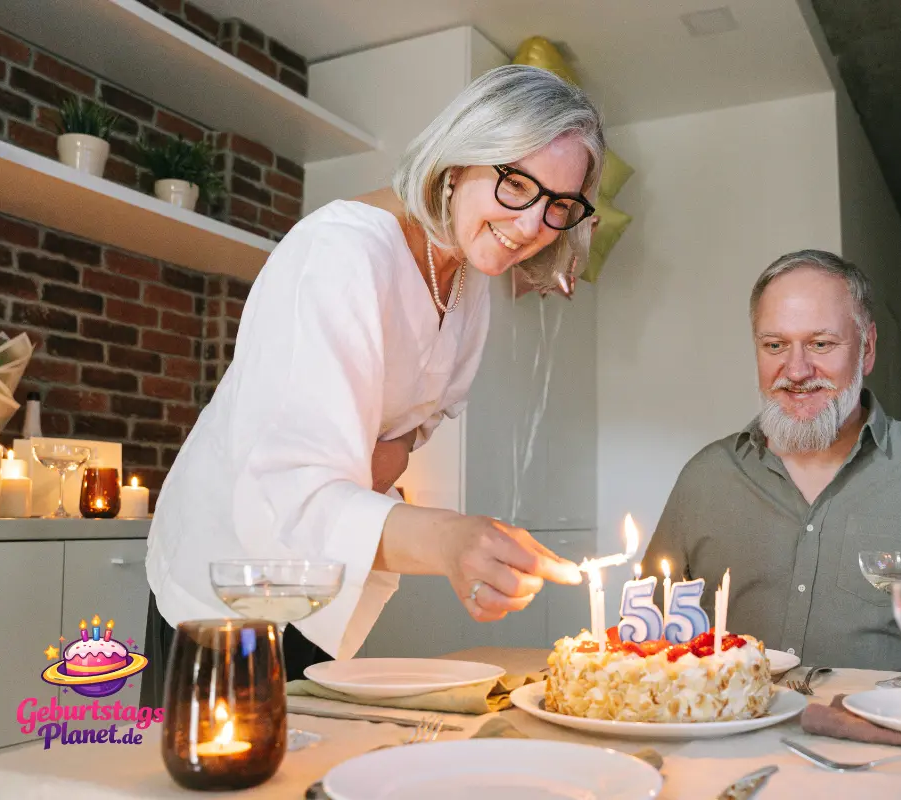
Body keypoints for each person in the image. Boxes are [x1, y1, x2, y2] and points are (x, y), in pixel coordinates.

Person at [143, 65, 603, 703]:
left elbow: (411, 428)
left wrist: (379, 460)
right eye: (518, 183)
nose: (532, 225)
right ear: (459, 160)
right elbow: (288, 495)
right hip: (228, 583)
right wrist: (448, 539)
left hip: (326, 577)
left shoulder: (468, 283)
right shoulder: (340, 255)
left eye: (559, 205)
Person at [643, 250, 901, 678]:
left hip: (896, 744)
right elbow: (643, 642)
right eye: (775, 345)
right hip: (730, 743)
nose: (795, 370)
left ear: (867, 350)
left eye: (821, 344)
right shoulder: (704, 479)